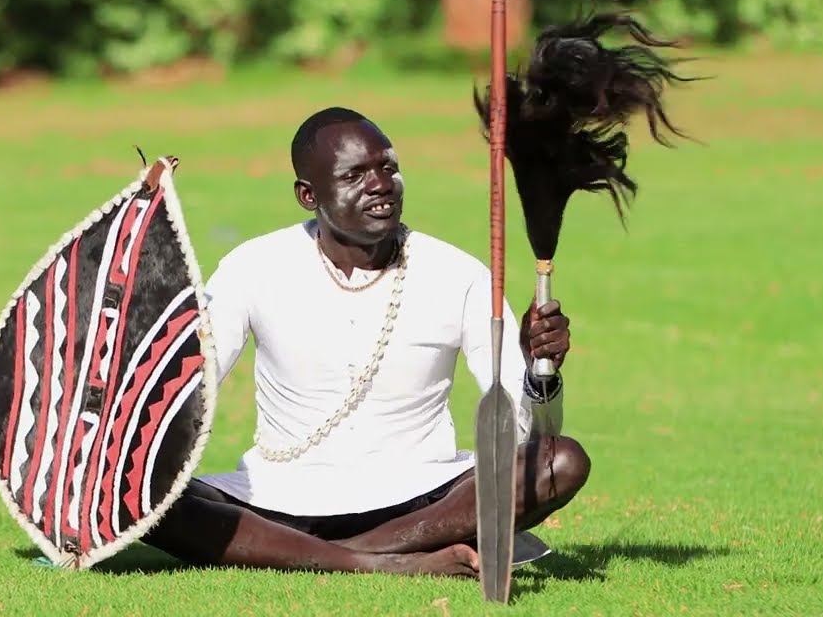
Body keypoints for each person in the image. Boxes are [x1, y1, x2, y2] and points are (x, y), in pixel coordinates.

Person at [141, 107, 591, 577]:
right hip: (278, 498)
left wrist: (538, 369)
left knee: (558, 461)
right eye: (355, 174)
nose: (380, 184)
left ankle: (333, 554)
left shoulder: (458, 274)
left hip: (422, 498)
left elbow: (524, 434)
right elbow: (189, 383)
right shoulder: (254, 265)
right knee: (140, 490)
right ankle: (376, 562)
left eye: (388, 167)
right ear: (307, 194)